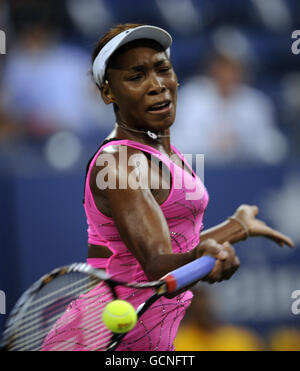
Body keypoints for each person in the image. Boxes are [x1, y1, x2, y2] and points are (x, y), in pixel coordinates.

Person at [42, 23, 293, 351]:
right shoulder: (116, 163)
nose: (157, 85)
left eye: (162, 69)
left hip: (148, 343)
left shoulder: (171, 156)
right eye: (136, 76)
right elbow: (157, 264)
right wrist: (205, 259)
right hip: (101, 343)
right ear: (108, 92)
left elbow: (174, 251)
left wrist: (237, 227)